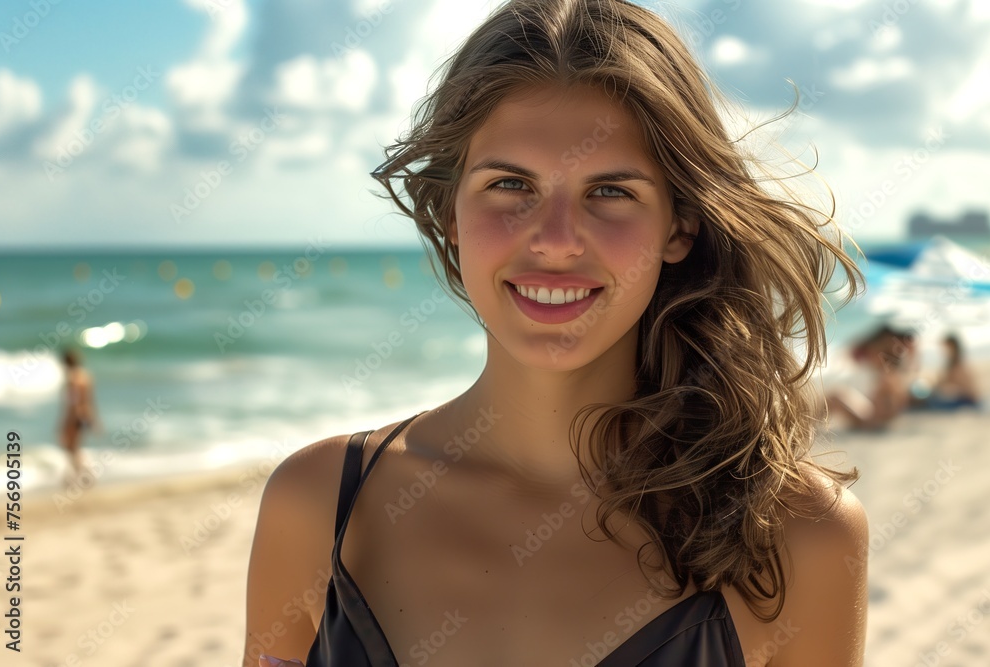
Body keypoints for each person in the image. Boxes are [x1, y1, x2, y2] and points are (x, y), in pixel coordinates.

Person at [245, 1, 868, 665]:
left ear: (680, 225)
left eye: (611, 192)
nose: (556, 240)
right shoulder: (317, 507)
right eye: (511, 183)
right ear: (450, 211)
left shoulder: (800, 536)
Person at [826, 325, 911, 431]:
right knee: (834, 396)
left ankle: (809, 423)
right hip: (874, 418)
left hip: (872, 420)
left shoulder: (888, 378)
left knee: (835, 397)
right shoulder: (889, 375)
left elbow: (883, 409)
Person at [58, 347, 100, 484]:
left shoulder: (72, 379)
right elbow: (90, 401)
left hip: (75, 415)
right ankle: (81, 475)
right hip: (85, 414)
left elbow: (73, 401)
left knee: (70, 447)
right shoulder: (86, 377)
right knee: (74, 447)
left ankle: (84, 475)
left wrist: (67, 419)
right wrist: (94, 419)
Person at [924, 334, 982, 409]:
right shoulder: (950, 365)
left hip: (966, 401)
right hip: (956, 399)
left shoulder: (960, 366)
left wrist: (953, 390)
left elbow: (971, 392)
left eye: (946, 347)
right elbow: (942, 383)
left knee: (932, 403)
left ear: (954, 348)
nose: (944, 351)